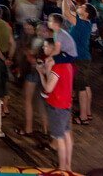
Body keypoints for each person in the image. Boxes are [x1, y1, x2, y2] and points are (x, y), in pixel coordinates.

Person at [38, 38, 73, 171]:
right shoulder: (68, 64)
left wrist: (41, 74)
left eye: (46, 46)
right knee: (67, 135)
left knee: (59, 138)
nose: (43, 48)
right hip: (66, 104)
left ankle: (62, 167)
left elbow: (48, 88)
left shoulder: (58, 67)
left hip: (57, 106)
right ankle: (68, 166)